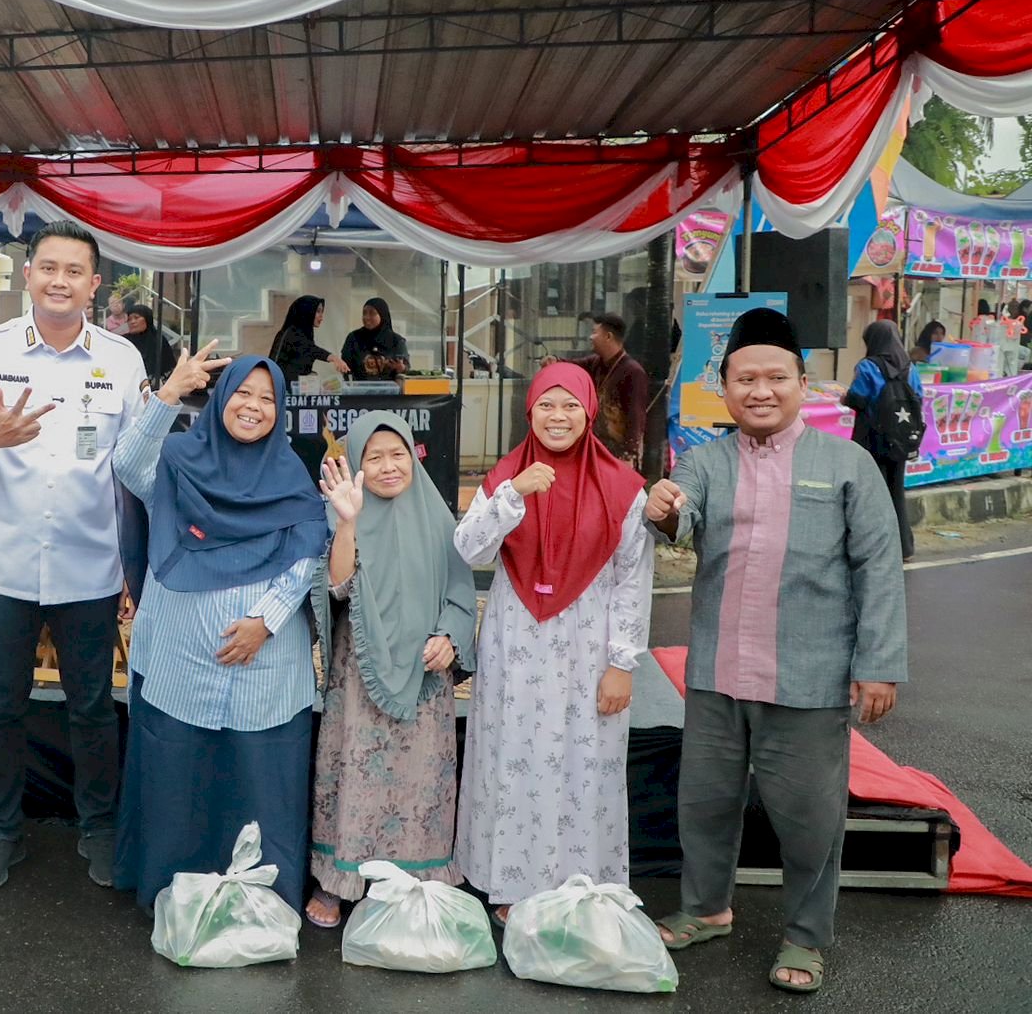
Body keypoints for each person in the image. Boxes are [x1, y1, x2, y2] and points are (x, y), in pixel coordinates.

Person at [645, 308, 907, 995]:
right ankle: (706, 908)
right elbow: (681, 517)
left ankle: (805, 935)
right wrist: (666, 505)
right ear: (725, 387)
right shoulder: (705, 460)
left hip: (810, 677)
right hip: (716, 671)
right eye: (745, 379)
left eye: (775, 378)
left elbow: (878, 568)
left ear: (802, 382)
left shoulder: (846, 464)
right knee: (703, 801)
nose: (760, 391)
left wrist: (878, 664)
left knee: (809, 816)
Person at [0, 220, 147, 893]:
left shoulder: (122, 359)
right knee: (1, 706)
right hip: (4, 566)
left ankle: (100, 827)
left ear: (93, 283)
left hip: (90, 564)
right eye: (47, 267)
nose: (59, 281)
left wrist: (138, 570)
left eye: (73, 271)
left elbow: (139, 469)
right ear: (26, 275)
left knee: (91, 706)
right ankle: (1, 833)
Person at [112, 350, 328, 914]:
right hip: (183, 659)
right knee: (179, 776)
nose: (253, 407)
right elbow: (127, 466)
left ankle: (263, 897)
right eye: (242, 393)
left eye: (267, 399)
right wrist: (169, 396)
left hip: (263, 663)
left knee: (260, 777)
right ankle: (172, 892)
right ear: (220, 396)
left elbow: (308, 551)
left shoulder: (289, 474)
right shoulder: (180, 457)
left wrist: (267, 621)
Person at [453, 362, 652, 925]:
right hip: (517, 639)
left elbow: (633, 581)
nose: (557, 417)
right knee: (513, 757)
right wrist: (511, 496)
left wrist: (622, 663)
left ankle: (581, 883)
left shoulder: (621, 488)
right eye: (546, 405)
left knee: (584, 758)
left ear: (588, 410)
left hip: (589, 642)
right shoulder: (506, 476)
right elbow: (469, 552)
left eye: (569, 405)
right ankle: (509, 882)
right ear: (529, 411)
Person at [304, 413, 476, 927]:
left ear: (413, 456)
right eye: (373, 457)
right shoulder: (340, 514)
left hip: (425, 678)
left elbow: (461, 590)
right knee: (352, 772)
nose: (387, 466)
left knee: (420, 780)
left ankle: (420, 881)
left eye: (396, 454)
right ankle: (338, 882)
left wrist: (449, 636)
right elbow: (334, 589)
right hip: (359, 675)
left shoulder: (438, 516)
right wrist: (349, 521)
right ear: (356, 463)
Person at [844, 319, 923, 560]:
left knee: (868, 492)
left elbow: (857, 398)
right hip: (900, 438)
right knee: (895, 489)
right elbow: (919, 398)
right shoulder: (911, 368)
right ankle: (903, 546)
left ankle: (872, 545)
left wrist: (843, 399)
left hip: (870, 438)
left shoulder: (868, 366)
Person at [549, 312, 650, 467]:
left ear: (608, 336)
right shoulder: (595, 363)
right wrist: (554, 362)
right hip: (596, 446)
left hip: (619, 452)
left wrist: (629, 454)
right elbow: (571, 366)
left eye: (595, 332)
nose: (591, 337)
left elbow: (635, 416)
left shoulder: (633, 372)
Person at [270, 294, 349, 383]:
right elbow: (311, 349)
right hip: (281, 389)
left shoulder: (304, 333)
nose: (321, 316)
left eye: (322, 312)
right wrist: (334, 358)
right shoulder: (291, 333)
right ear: (307, 312)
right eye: (318, 311)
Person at [339, 297, 411, 380]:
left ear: (382, 315)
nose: (367, 317)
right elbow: (345, 367)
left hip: (389, 391)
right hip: (359, 390)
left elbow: (406, 370)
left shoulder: (396, 341)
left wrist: (402, 368)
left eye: (372, 313)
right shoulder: (353, 338)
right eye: (364, 313)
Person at [123, 303, 169, 387]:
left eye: (136, 318)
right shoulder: (123, 341)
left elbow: (168, 368)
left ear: (147, 319)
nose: (132, 322)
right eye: (129, 319)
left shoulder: (158, 340)